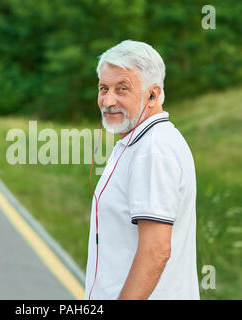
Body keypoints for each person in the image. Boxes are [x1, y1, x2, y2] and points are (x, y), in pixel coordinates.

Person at [84, 40, 200, 300]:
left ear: (153, 95)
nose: (108, 100)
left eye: (122, 89)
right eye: (104, 88)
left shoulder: (153, 149)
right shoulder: (138, 142)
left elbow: (156, 250)